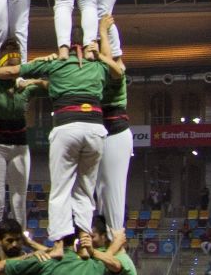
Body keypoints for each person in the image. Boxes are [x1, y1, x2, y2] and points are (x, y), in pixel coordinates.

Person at [0, 14, 122, 258]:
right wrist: (101, 52)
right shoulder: (98, 65)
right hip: (95, 128)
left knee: (60, 190)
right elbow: (118, 72)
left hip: (66, 127)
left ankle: (58, 244)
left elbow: (13, 70)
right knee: (86, 189)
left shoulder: (54, 64)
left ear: (65, 43)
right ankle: (85, 241)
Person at [0, 41, 43, 234]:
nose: (12, 67)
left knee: (19, 199)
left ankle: (19, 242)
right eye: (9, 61)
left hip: (20, 145)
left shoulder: (24, 87)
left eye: (16, 61)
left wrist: (32, 81)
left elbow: (50, 85)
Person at [95, 16, 130, 253]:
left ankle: (118, 245)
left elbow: (114, 68)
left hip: (116, 133)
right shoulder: (94, 71)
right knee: (99, 193)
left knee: (114, 193)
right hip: (97, 132)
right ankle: (101, 243)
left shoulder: (118, 68)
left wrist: (103, 32)